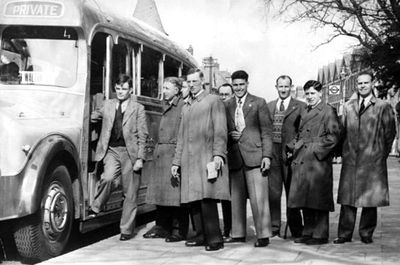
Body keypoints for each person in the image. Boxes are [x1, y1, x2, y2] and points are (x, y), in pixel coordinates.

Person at [334, 72, 396, 244]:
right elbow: (342, 131)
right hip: (351, 159)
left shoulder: (383, 106)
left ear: (372, 84)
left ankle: (366, 233)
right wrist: (342, 153)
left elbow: (390, 132)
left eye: (366, 83)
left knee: (370, 198)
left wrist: (380, 154)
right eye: (359, 83)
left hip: (372, 160)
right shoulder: (348, 106)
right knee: (348, 198)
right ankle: (344, 234)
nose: (362, 86)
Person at [171, 68, 229, 251]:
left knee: (207, 198)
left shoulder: (213, 101)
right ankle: (200, 235)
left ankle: (214, 238)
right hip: (189, 160)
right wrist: (176, 162)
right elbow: (180, 136)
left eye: (195, 81)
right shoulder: (186, 105)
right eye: (189, 82)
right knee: (192, 199)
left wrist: (218, 154)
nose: (192, 85)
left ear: (202, 81)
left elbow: (221, 130)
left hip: (205, 157)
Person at [89, 74, 148, 241]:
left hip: (130, 153)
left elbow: (143, 135)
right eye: (118, 89)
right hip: (111, 151)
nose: (121, 92)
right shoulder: (107, 105)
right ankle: (97, 206)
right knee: (108, 178)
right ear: (115, 89)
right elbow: (94, 116)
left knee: (130, 193)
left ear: (130, 90)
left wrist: (140, 159)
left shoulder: (138, 108)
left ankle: (126, 230)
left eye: (124, 89)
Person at [287, 80, 341, 245]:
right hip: (302, 158)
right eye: (307, 93)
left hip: (318, 162)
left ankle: (320, 234)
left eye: (312, 93)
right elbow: (300, 134)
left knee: (318, 198)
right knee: (305, 197)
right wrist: (291, 147)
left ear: (320, 93)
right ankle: (308, 232)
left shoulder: (328, 111)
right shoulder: (304, 111)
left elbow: (334, 137)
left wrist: (315, 149)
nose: (309, 97)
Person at [223, 70, 273, 247]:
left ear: (247, 84)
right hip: (236, 157)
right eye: (235, 85)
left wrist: (267, 156)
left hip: (255, 156)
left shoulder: (259, 102)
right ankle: (238, 233)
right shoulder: (227, 104)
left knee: (259, 198)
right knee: (236, 198)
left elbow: (267, 132)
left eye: (241, 84)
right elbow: (223, 132)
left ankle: (263, 235)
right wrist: (231, 135)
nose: (238, 88)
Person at [144, 77, 189, 242]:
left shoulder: (182, 106)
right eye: (163, 87)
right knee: (161, 194)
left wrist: (177, 159)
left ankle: (179, 230)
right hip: (161, 154)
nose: (163, 91)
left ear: (177, 90)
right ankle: (162, 227)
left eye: (167, 88)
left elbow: (183, 134)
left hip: (172, 154)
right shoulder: (167, 105)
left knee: (176, 196)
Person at [267, 75, 305, 238]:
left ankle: (296, 229)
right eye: (280, 86)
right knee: (273, 193)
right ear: (276, 87)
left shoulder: (300, 106)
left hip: (291, 156)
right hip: (273, 155)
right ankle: (274, 227)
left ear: (291, 87)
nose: (283, 89)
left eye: (286, 86)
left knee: (292, 193)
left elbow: (304, 132)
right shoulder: (269, 106)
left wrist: (294, 148)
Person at [218, 82, 233, 238]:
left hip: (233, 159)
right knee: (223, 197)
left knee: (231, 197)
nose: (223, 98)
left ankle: (231, 228)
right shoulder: (217, 111)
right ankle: (227, 228)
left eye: (226, 95)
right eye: (221, 95)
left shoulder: (234, 111)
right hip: (220, 159)